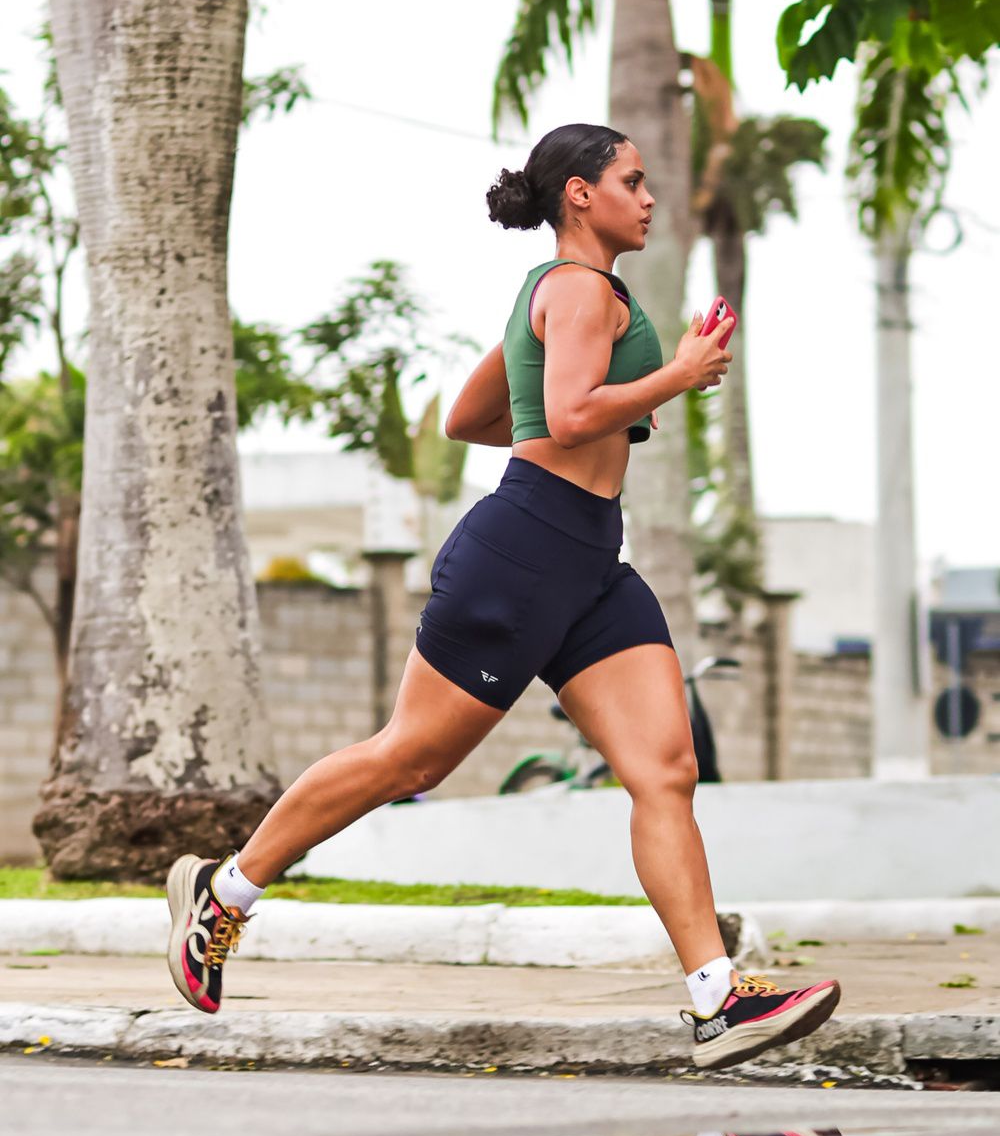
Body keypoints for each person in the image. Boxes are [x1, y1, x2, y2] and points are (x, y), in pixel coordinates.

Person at [165, 122, 840, 1070]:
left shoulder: (563, 297)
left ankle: (715, 1001)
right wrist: (676, 376)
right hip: (523, 549)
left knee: (666, 770)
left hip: (592, 564)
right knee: (410, 760)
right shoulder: (572, 289)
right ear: (579, 194)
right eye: (632, 181)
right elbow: (564, 418)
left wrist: (598, 397)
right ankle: (223, 892)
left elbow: (471, 415)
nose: (648, 198)